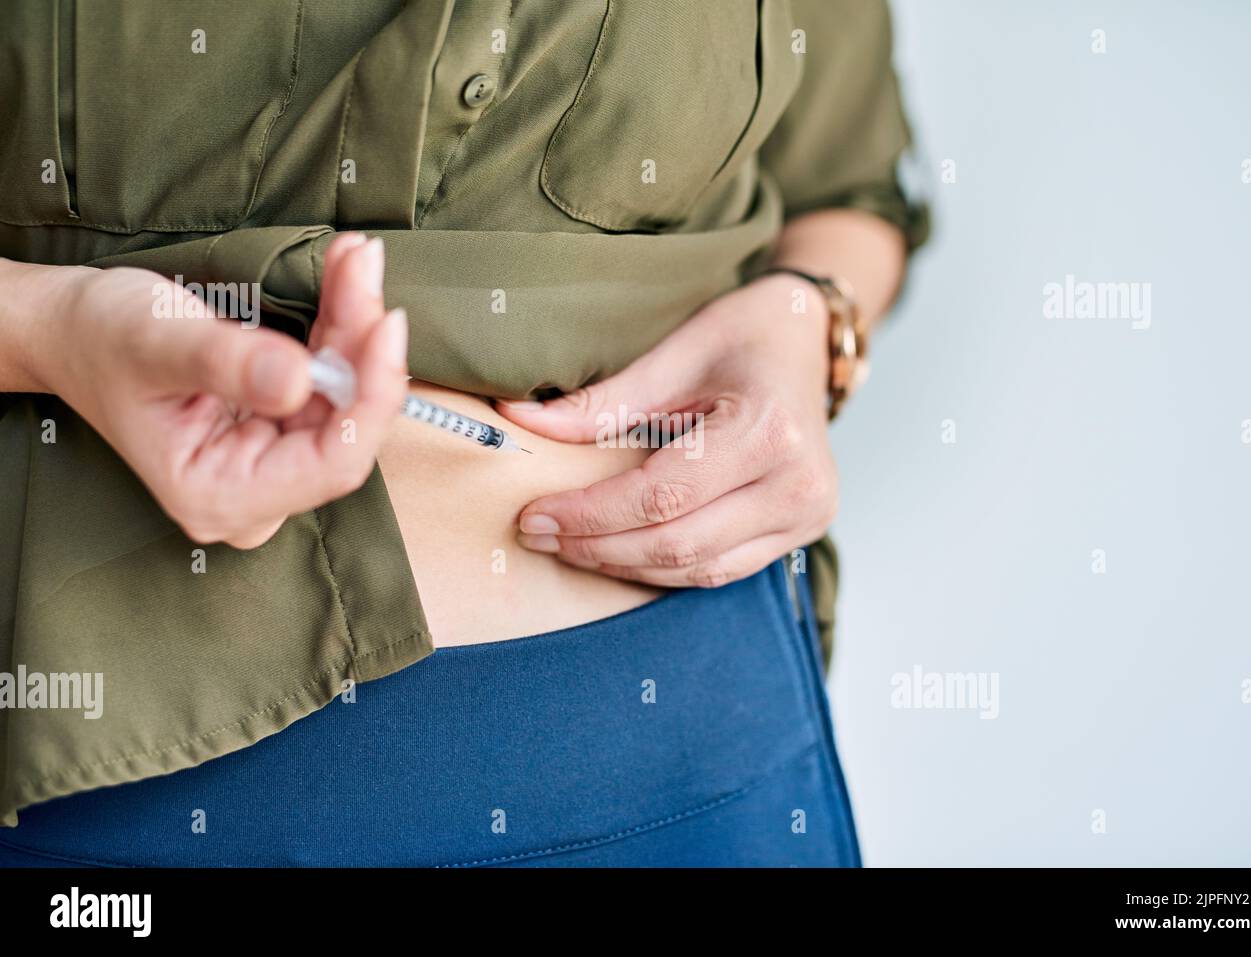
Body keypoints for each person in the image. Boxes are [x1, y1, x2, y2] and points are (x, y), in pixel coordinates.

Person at [0, 0, 927, 866]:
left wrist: (816, 323)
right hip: (141, 776)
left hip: (706, 733)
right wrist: (48, 331)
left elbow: (846, 186)